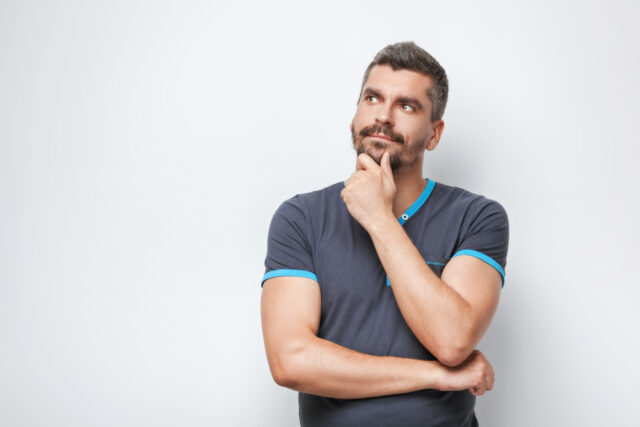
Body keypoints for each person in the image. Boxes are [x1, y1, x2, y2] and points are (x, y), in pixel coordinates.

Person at [260, 41, 509, 427]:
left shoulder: (477, 217)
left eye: (407, 106)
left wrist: (379, 219)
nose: (385, 116)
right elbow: (290, 361)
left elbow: (452, 340)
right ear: (354, 116)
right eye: (373, 98)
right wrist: (437, 376)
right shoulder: (301, 218)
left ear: (434, 134)